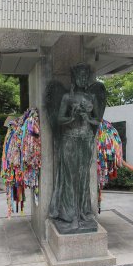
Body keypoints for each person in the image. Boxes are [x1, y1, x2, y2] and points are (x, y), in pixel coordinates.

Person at [48, 63, 105, 232]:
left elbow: (97, 121)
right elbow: (59, 120)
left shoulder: (92, 98)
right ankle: (69, 214)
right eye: (79, 76)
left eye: (84, 76)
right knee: (69, 176)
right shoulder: (67, 97)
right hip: (69, 138)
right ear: (74, 77)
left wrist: (87, 117)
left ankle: (83, 212)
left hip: (86, 138)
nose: (82, 79)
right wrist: (72, 116)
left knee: (83, 176)